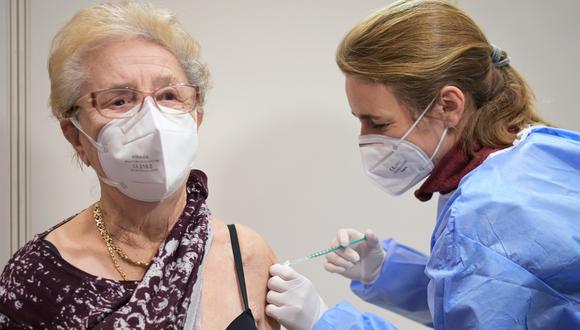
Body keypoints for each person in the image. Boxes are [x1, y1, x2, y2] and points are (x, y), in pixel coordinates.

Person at [265, 0, 580, 329]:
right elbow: (492, 295)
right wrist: (386, 271)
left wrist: (325, 320)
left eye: (379, 123)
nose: (367, 140)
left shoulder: (484, 212)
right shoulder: (540, 149)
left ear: (448, 104)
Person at [0, 2, 279, 329]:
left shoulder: (244, 254)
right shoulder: (37, 277)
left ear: (196, 116)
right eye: (119, 100)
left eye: (168, 96)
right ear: (76, 137)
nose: (152, 121)